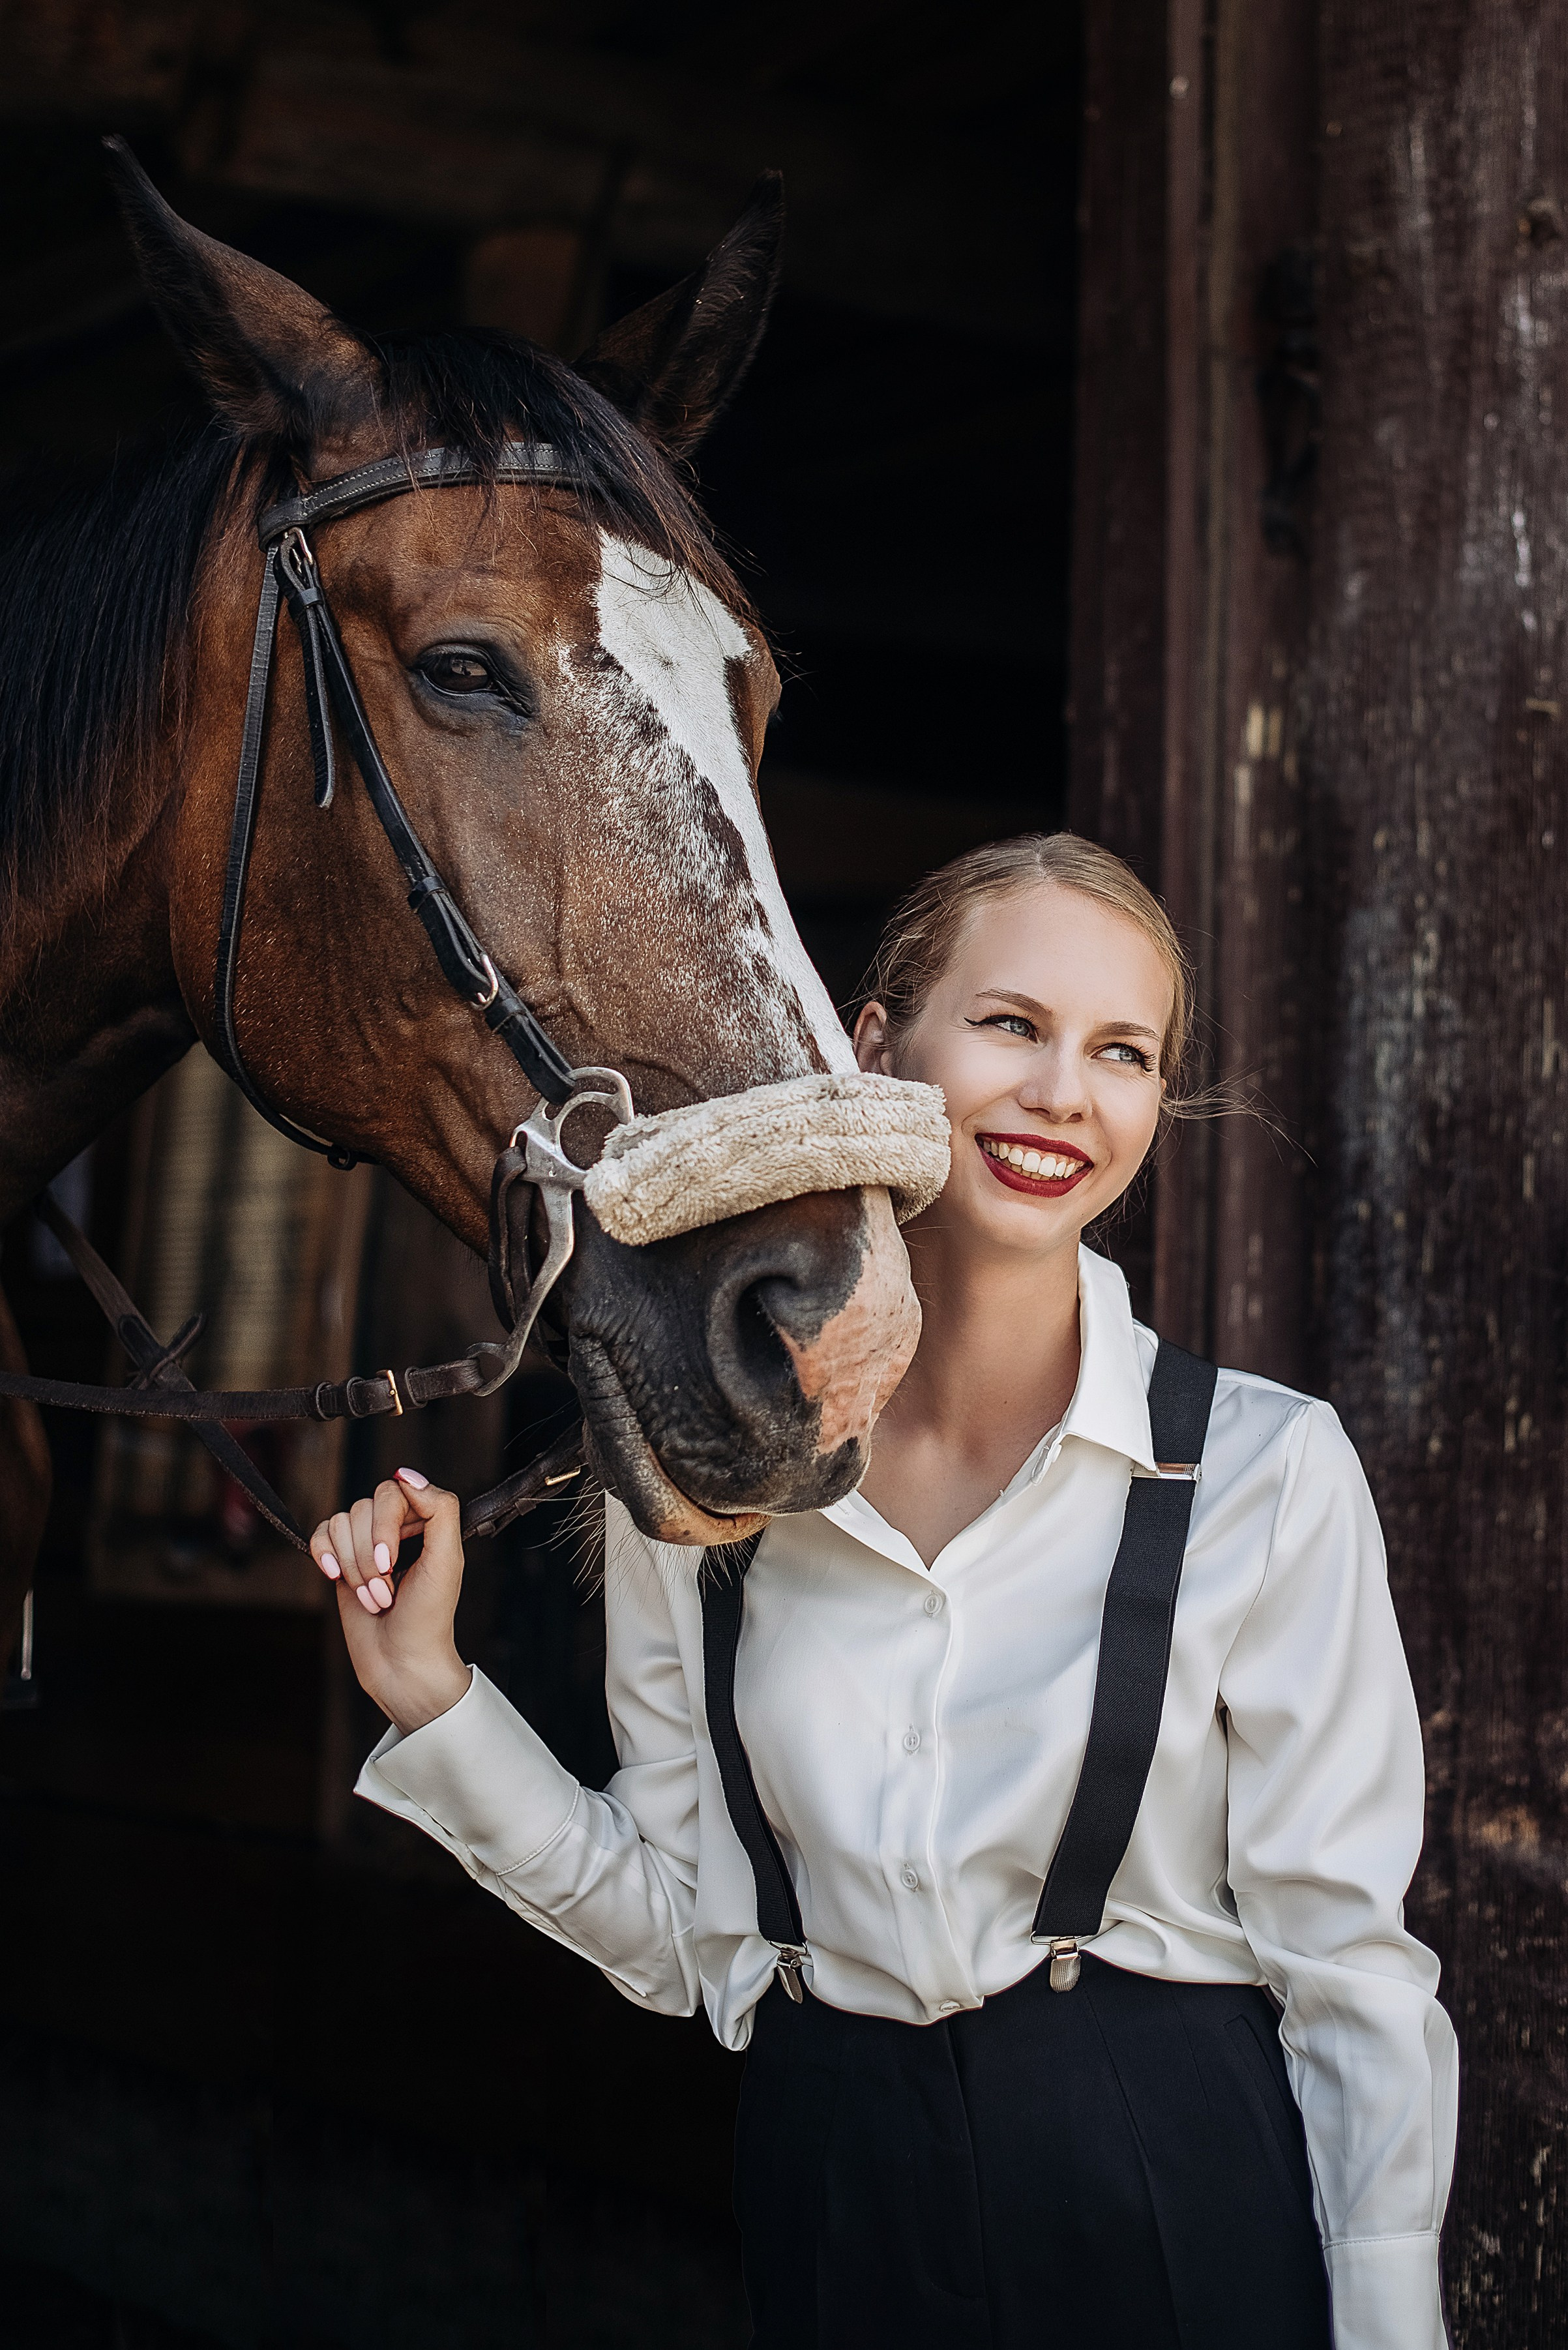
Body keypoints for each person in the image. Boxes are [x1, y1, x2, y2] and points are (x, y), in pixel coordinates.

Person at [312, 832, 1457, 2350]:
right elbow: (682, 1932)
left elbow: (1348, 1968)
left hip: (1172, 2176)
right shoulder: (706, 1478)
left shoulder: (1265, 1473)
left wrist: (1391, 2324)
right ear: (875, 1046)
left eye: (1124, 1052)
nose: (1066, 1091)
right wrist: (438, 1699)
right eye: (1010, 1024)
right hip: (838, 2177)